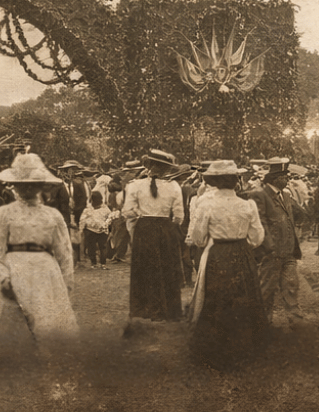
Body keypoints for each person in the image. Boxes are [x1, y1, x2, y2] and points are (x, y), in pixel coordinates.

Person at [0, 155, 77, 348]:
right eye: (22, 185)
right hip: (15, 270)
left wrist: (66, 282)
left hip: (45, 273)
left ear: (41, 186)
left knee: (46, 322)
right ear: (14, 186)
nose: (28, 189)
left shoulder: (52, 216)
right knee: (12, 325)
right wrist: (4, 277)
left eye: (33, 185)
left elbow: (64, 252)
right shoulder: (5, 213)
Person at [185, 161, 266, 370]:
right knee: (243, 296)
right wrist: (242, 242)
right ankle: (245, 349)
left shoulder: (206, 205)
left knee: (217, 299)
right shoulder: (247, 205)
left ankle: (215, 351)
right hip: (242, 254)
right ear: (236, 181)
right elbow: (257, 237)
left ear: (214, 182)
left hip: (218, 254)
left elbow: (199, 239)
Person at [122, 149, 186, 327]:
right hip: (166, 228)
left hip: (144, 228)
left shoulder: (135, 185)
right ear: (167, 168)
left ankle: (144, 309)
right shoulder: (174, 186)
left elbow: (127, 212)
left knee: (145, 267)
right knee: (167, 267)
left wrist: (141, 216)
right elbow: (179, 216)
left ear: (149, 166)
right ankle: (169, 310)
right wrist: (168, 223)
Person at [252, 159, 305, 324]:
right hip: (271, 252)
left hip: (288, 250)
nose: (288, 179)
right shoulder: (260, 195)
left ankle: (295, 319)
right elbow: (260, 223)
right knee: (267, 288)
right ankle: (263, 321)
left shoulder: (286, 195)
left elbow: (300, 214)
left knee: (291, 284)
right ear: (274, 178)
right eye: (284, 176)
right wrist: (269, 246)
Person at [81, 191, 113, 269]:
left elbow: (82, 220)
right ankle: (102, 264)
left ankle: (95, 263)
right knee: (102, 247)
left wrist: (81, 229)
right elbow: (110, 217)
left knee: (93, 247)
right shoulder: (104, 208)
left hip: (92, 230)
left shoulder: (88, 209)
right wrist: (107, 225)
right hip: (98, 230)